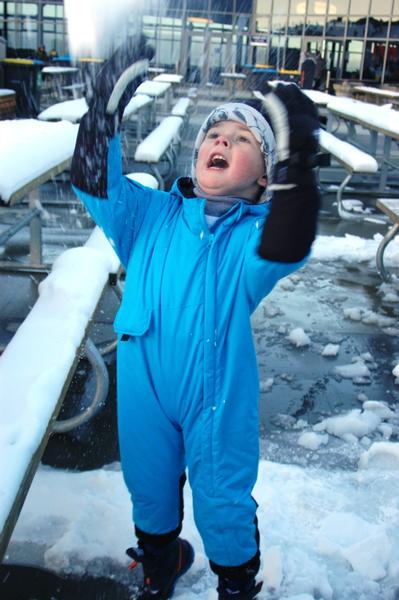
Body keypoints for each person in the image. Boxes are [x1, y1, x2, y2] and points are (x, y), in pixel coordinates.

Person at [70, 35, 320, 600]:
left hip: (215, 395)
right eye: (214, 134)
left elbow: (290, 239)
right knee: (148, 484)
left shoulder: (253, 236)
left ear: (263, 178)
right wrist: (101, 109)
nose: (222, 140)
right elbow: (94, 182)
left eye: (241, 139)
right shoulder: (150, 214)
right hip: (146, 392)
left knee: (221, 495)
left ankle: (235, 583)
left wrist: (298, 155)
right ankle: (161, 561)